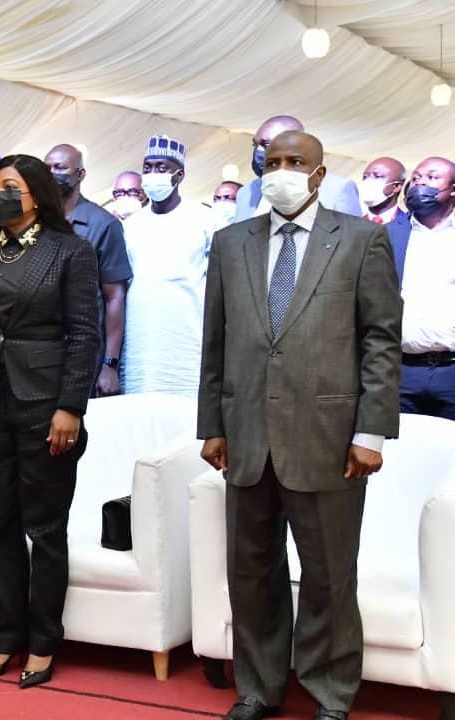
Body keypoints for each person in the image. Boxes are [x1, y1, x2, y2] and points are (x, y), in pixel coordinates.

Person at [198, 131, 402, 720]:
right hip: (246, 437)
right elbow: (216, 341)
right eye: (273, 161)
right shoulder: (231, 242)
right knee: (251, 572)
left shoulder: (362, 239)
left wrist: (371, 432)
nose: (281, 170)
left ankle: (329, 693)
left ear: (319, 173)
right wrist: (212, 422)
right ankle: (258, 688)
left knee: (329, 576)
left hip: (329, 438)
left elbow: (380, 342)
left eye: (295, 162)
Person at [0, 154, 100, 689]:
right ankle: (8, 633)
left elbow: (86, 335)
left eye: (9, 187)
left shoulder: (71, 252)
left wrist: (71, 407)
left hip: (46, 405)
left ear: (36, 195)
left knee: (45, 527)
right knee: (0, 526)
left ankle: (43, 640)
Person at [120, 135, 215, 396]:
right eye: (147, 168)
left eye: (162, 168)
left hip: (188, 347)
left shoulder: (206, 220)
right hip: (140, 347)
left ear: (179, 175)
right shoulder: (130, 226)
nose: (152, 174)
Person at [44, 144, 130, 395]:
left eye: (60, 168)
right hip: (37, 353)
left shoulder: (103, 225)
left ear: (80, 175)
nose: (51, 174)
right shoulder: (33, 221)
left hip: (81, 355)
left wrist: (110, 365)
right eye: (47, 168)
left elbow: (114, 298)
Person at [385, 156, 455, 421]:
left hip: (452, 371)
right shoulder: (388, 236)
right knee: (401, 454)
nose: (421, 183)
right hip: (402, 371)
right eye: (416, 178)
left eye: (432, 177)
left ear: (453, 189)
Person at [235, 115, 360, 221]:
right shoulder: (247, 193)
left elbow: (355, 243)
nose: (259, 151)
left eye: (267, 145)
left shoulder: (337, 189)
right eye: (255, 144)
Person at [358, 157, 406, 225]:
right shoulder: (351, 223)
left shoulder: (410, 226)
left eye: (377, 176)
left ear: (396, 187)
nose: (368, 181)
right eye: (365, 177)